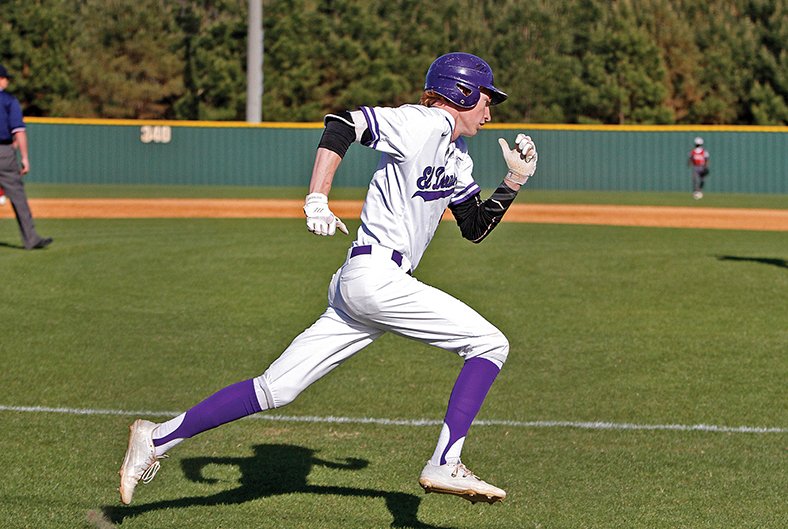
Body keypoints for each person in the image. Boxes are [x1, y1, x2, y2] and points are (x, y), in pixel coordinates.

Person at [119, 52, 538, 507]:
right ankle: (445, 461)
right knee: (490, 344)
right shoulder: (423, 124)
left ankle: (155, 438)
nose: (489, 110)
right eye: (484, 98)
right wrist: (316, 199)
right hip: (377, 277)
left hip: (366, 287)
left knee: (275, 388)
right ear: (460, 92)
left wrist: (513, 181)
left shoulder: (457, 156)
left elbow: (474, 227)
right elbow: (341, 124)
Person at [0, 64, 52, 249]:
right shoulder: (8, 100)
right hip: (3, 154)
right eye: (6, 78)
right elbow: (19, 131)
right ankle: (30, 238)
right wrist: (25, 157)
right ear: (1, 79)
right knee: (17, 196)